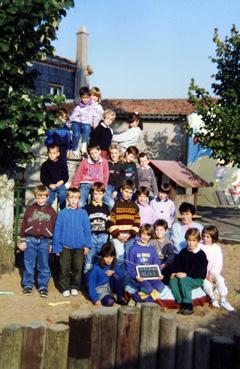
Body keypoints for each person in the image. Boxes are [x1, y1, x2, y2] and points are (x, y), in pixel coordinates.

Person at [18, 185, 56, 297]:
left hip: (45, 242)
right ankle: (28, 285)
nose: (40, 200)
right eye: (38, 198)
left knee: (43, 265)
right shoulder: (30, 209)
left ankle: (43, 286)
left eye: (43, 198)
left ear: (47, 197)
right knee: (29, 264)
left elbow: (54, 228)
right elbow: (23, 225)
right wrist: (23, 240)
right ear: (35, 197)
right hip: (30, 240)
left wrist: (51, 243)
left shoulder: (51, 211)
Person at [52, 188, 92, 297]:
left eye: (76, 198)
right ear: (67, 199)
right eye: (71, 198)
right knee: (64, 268)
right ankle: (64, 287)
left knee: (78, 267)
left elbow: (87, 230)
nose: (73, 200)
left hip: (79, 246)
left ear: (79, 199)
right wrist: (57, 247)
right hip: (65, 246)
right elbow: (57, 231)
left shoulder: (83, 213)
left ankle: (75, 286)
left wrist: (87, 245)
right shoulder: (62, 213)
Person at [169, 228, 208, 315]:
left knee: (184, 280)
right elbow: (177, 264)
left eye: (193, 240)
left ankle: (188, 304)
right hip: (184, 276)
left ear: (198, 241)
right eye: (189, 240)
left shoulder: (201, 254)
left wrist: (187, 274)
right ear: (186, 240)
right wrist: (174, 272)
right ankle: (180, 302)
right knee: (173, 280)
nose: (191, 243)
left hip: (197, 279)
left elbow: (201, 272)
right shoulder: (183, 252)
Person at [127, 224, 165, 303]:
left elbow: (156, 264)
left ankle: (137, 298)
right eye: (143, 234)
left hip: (150, 276)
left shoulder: (152, 250)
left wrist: (159, 274)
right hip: (138, 278)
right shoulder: (133, 248)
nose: (145, 237)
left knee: (160, 286)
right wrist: (135, 276)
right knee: (148, 289)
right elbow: (129, 266)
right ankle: (143, 300)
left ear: (150, 236)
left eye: (148, 235)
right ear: (140, 233)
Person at [201, 225, 234, 311]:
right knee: (206, 285)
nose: (205, 239)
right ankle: (214, 299)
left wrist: (212, 273)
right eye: (204, 236)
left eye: (208, 237)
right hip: (202, 274)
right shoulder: (200, 247)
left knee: (220, 280)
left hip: (213, 272)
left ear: (213, 237)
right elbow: (198, 263)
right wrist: (205, 275)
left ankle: (223, 300)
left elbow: (218, 263)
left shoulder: (217, 248)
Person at [109, 180, 140, 268]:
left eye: (130, 193)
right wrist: (118, 235)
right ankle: (120, 279)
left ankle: (128, 279)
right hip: (117, 237)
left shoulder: (134, 206)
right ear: (121, 190)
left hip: (130, 237)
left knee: (129, 258)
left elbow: (137, 223)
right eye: (126, 191)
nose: (128, 194)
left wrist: (129, 235)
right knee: (120, 259)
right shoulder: (115, 204)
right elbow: (111, 222)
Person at [88, 242, 126, 306]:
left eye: (111, 257)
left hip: (110, 287)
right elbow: (91, 284)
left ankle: (119, 298)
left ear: (114, 256)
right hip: (100, 288)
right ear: (102, 257)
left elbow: (122, 276)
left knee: (117, 276)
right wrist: (95, 299)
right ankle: (108, 297)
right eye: (106, 257)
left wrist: (114, 272)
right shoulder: (96, 267)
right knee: (110, 302)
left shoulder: (114, 265)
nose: (109, 260)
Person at [84, 182, 109, 274]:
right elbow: (85, 225)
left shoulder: (106, 207)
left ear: (103, 194)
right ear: (92, 194)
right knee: (89, 260)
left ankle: (99, 283)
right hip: (91, 236)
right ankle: (87, 282)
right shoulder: (87, 208)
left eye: (100, 194)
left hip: (103, 236)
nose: (98, 196)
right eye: (95, 194)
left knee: (100, 260)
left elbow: (108, 222)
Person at [69, 86, 100, 157]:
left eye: (87, 98)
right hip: (76, 123)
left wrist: (95, 123)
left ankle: (84, 144)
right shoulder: (78, 107)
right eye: (84, 98)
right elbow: (73, 116)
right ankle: (74, 149)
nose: (85, 99)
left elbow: (96, 115)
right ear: (81, 97)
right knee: (76, 134)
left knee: (87, 127)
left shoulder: (92, 106)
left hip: (85, 123)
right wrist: (68, 124)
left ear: (90, 97)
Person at [40, 144, 68, 209]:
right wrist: (49, 184)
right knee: (49, 200)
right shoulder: (45, 165)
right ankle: (47, 211)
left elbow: (66, 175)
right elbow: (43, 178)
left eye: (54, 153)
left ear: (58, 154)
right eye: (50, 153)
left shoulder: (62, 163)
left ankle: (62, 210)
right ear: (47, 153)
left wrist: (62, 181)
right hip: (50, 186)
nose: (52, 155)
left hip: (60, 185)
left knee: (62, 194)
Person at [151, 219, 175, 283]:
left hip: (164, 264)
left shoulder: (168, 243)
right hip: (154, 264)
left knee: (169, 269)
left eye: (161, 230)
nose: (159, 232)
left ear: (166, 231)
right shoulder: (152, 242)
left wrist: (165, 263)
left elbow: (171, 255)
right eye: (157, 230)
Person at [103, 143, 125, 210]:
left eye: (116, 153)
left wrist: (116, 190)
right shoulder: (106, 163)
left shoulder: (122, 164)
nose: (114, 155)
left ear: (119, 154)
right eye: (112, 153)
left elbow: (121, 179)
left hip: (118, 187)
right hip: (108, 187)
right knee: (111, 203)